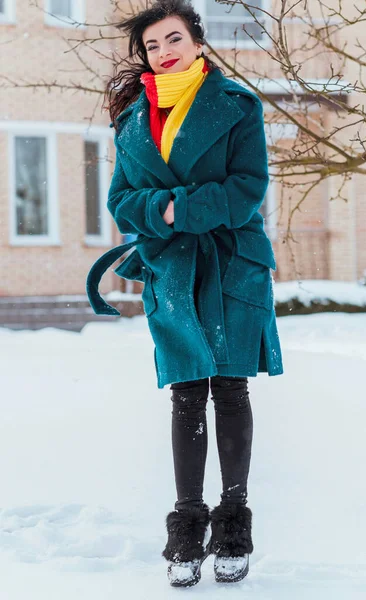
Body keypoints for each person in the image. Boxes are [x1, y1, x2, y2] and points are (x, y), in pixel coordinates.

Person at [86, 0, 284, 587]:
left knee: (228, 385)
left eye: (174, 38)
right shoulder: (129, 121)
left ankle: (233, 520)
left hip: (230, 265)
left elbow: (248, 187)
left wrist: (176, 208)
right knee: (184, 393)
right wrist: (162, 209)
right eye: (152, 45)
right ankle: (186, 522)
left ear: (197, 41)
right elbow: (120, 200)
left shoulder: (237, 107)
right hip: (171, 268)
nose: (164, 51)